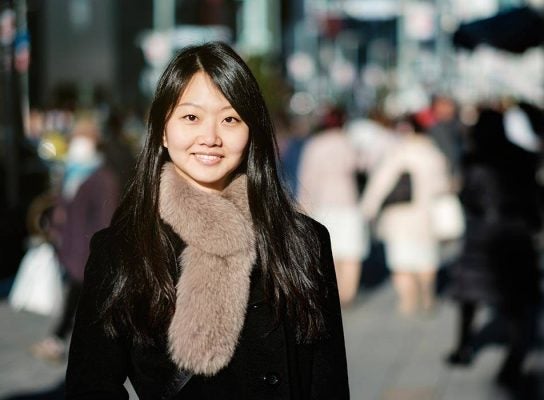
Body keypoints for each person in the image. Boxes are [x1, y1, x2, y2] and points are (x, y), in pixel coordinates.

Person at [65, 42, 349, 399]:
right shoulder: (123, 249)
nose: (211, 137)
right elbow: (90, 386)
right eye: (191, 117)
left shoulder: (303, 241)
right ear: (163, 131)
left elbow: (329, 384)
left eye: (230, 119)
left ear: (251, 133)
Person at [445, 104, 543, 387]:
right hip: (516, 232)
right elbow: (532, 195)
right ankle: (513, 361)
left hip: (482, 235)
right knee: (517, 300)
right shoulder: (523, 157)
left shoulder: (473, 160)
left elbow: (467, 197)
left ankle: (463, 348)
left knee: (469, 295)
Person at [30, 113, 120, 361]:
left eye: (85, 138)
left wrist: (100, 253)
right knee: (77, 303)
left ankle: (60, 341)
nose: (79, 143)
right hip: (67, 250)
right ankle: (67, 342)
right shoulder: (71, 171)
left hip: (86, 254)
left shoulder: (102, 176)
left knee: (79, 302)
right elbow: (63, 208)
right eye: (77, 137)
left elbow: (106, 217)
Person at [360, 115, 451, 315]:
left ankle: (408, 301)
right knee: (427, 258)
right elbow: (444, 185)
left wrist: (368, 208)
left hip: (399, 216)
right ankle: (428, 297)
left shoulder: (398, 153)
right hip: (427, 216)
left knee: (402, 262)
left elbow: (380, 184)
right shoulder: (433, 153)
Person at [297, 105, 368, 307]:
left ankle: (335, 294)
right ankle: (349, 294)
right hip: (348, 202)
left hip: (322, 204)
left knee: (332, 252)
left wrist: (302, 205)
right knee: (351, 253)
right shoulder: (348, 143)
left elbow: (306, 177)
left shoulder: (314, 145)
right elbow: (362, 165)